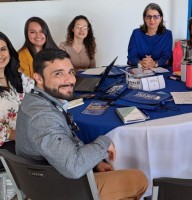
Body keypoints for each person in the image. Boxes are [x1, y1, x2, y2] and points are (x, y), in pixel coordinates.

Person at [15, 48, 148, 200]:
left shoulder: (36, 100)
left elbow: (66, 143)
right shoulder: (42, 117)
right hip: (58, 188)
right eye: (58, 73)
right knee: (139, 179)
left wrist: (95, 162)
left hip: (48, 178)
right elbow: (74, 167)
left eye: (71, 72)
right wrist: (104, 142)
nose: (70, 80)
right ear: (38, 78)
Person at [0, 32, 34, 200]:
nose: (0, 55)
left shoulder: (18, 77)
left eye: (3, 49)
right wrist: (19, 135)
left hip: (27, 138)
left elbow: (37, 96)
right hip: (6, 147)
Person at [127, 3, 173, 70]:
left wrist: (154, 63)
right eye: (149, 16)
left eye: (156, 16)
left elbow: (166, 58)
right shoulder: (136, 33)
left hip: (160, 73)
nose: (152, 20)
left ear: (160, 18)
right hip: (140, 71)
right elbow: (131, 57)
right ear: (144, 18)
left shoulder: (167, 34)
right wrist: (141, 63)